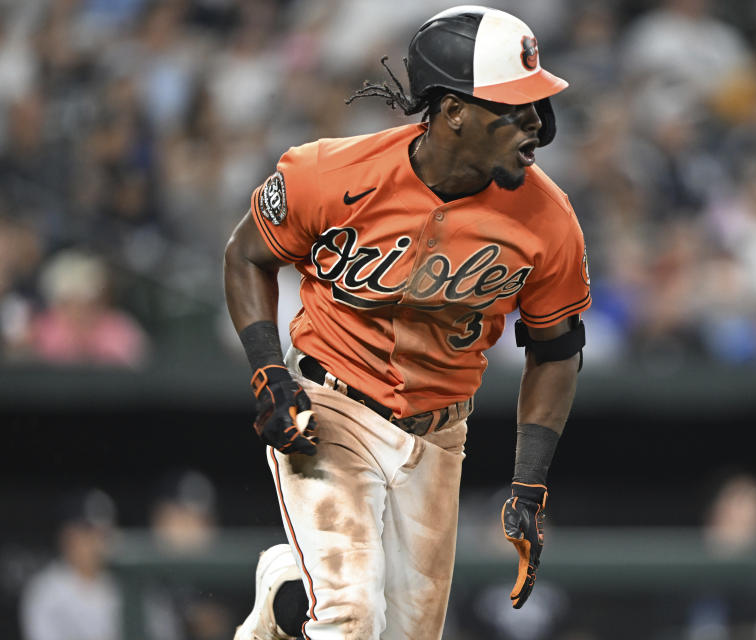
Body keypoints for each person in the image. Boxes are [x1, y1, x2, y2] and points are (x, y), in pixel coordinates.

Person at [223, 6, 590, 640]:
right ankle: (311, 597)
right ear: (452, 112)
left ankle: (285, 599)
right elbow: (246, 255)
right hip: (331, 405)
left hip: (439, 436)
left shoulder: (549, 219)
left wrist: (528, 485)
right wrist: (266, 370)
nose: (535, 122)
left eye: (535, 104)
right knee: (351, 619)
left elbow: (555, 353)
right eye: (513, 107)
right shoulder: (331, 173)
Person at [20, 488, 121, 640]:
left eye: (103, 533)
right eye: (87, 532)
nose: (96, 542)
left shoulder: (126, 583)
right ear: (67, 535)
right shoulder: (46, 590)